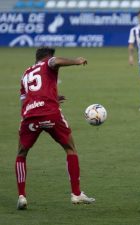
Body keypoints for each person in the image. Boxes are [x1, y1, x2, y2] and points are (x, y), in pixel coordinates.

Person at [16, 47, 95, 210]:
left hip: (30, 116)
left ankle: (22, 196)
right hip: (50, 114)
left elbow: (25, 99)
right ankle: (76, 194)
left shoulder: (25, 73)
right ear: (47, 57)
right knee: (70, 148)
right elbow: (54, 61)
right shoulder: (48, 62)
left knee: (21, 154)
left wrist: (52, 97)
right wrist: (76, 61)